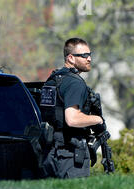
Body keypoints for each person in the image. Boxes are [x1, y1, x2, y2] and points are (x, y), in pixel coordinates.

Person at [40, 38, 106, 179]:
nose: (89, 59)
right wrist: (97, 119)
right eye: (83, 56)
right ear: (70, 58)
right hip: (69, 153)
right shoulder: (74, 83)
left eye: (90, 54)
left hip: (50, 152)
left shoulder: (53, 79)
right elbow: (72, 119)